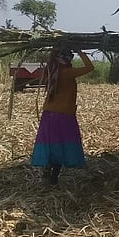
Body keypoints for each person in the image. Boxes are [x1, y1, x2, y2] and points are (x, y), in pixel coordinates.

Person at [31, 48, 95, 184]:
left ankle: (48, 173)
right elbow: (90, 67)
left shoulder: (51, 70)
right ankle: (53, 176)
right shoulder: (67, 72)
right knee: (61, 145)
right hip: (63, 115)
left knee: (51, 144)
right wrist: (81, 52)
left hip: (49, 114)